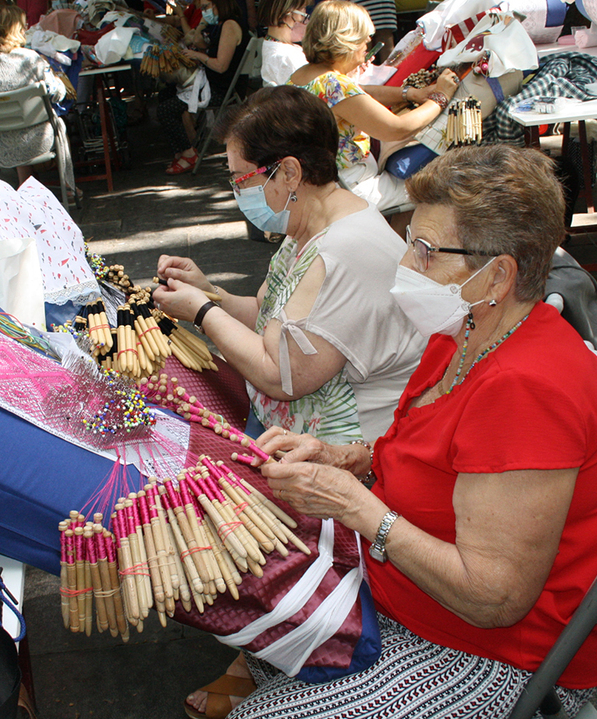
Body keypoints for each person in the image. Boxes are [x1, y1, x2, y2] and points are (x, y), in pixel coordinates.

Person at [185, 144, 597, 719]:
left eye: (424, 252)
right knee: (244, 573)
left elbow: (492, 599)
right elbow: (438, 449)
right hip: (412, 594)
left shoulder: (528, 390)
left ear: (498, 274)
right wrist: (346, 456)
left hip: (495, 651)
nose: (405, 267)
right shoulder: (461, 334)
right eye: (408, 243)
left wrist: (357, 507)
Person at [154, 85, 425, 448]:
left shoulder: (345, 249)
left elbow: (283, 375)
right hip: (287, 428)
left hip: (348, 452)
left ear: (289, 173)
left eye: (241, 178)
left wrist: (202, 312)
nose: (236, 189)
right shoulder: (308, 225)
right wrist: (209, 293)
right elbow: (272, 319)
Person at [288, 0, 459, 211]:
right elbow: (396, 128)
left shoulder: (304, 76)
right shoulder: (334, 84)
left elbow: (361, 93)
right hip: (354, 188)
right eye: (365, 39)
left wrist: (411, 94)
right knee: (440, 185)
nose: (368, 46)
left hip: (328, 183)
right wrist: (440, 97)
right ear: (347, 41)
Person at [0, 0, 78, 199]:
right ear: (18, 28)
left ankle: (25, 187)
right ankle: (68, 187)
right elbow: (58, 93)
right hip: (36, 142)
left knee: (13, 126)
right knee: (56, 123)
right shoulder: (31, 60)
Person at [156, 0, 250, 174]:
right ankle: (181, 150)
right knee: (164, 95)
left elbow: (221, 65)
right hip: (212, 82)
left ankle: (189, 153)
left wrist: (197, 55)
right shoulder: (219, 25)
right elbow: (196, 41)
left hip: (222, 89)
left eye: (206, 7)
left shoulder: (230, 26)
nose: (203, 11)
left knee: (165, 110)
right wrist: (201, 26)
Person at [258, 0, 308, 87]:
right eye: (302, 14)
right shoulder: (285, 58)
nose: (304, 20)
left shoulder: (272, 45)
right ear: (286, 15)